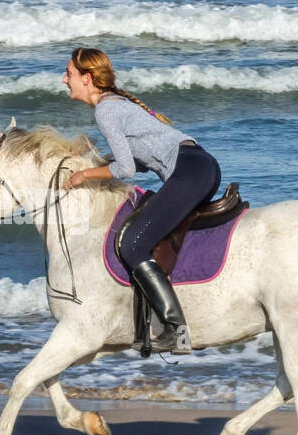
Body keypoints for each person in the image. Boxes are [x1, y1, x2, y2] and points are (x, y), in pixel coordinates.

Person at [62, 47, 222, 354]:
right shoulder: (115, 104)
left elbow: (124, 170)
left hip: (190, 171)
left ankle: (176, 331)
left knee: (132, 244)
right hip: (199, 167)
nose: (63, 79)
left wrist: (84, 176)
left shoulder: (105, 110)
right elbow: (134, 160)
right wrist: (90, 162)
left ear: (87, 78)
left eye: (68, 74)